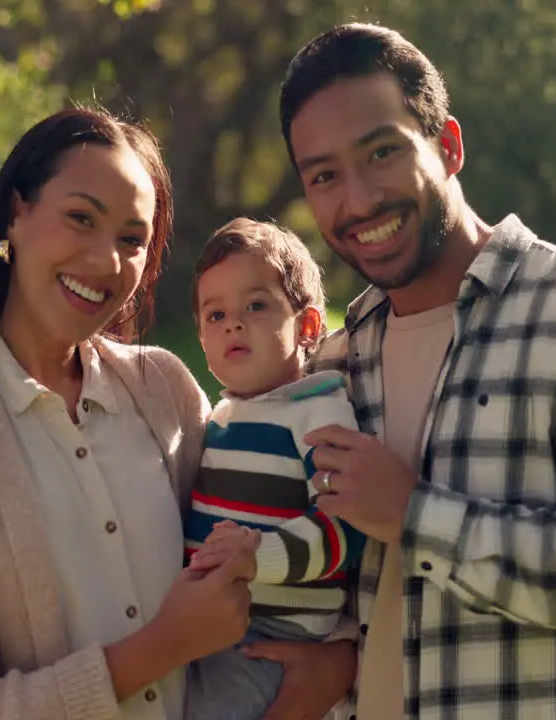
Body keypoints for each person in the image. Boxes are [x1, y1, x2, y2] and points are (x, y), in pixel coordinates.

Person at [0, 107, 353, 720]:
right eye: (81, 218)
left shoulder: (161, 388)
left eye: (131, 240)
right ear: (16, 212)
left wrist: (338, 661)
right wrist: (162, 647)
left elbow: (285, 513)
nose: (106, 261)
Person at [278, 24, 556, 719]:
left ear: (447, 145)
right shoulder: (335, 361)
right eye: (324, 176)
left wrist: (416, 517)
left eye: (382, 152)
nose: (357, 202)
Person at [180, 218, 365, 720]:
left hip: (273, 637)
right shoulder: (221, 416)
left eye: (255, 306)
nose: (233, 324)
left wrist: (257, 557)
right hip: (213, 627)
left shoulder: (315, 408)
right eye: (215, 315)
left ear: (306, 326)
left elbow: (346, 525)